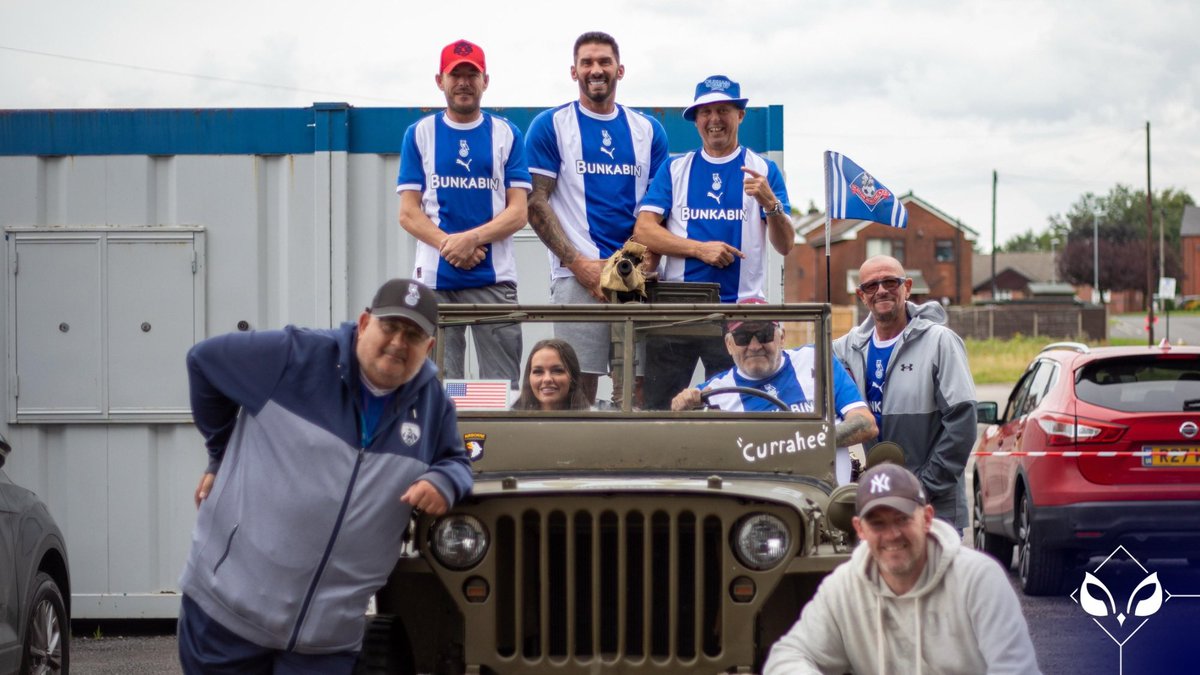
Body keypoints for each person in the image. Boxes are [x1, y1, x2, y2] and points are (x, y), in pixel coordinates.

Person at [177, 278, 473, 674]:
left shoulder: (433, 403)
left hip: (327, 640)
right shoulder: (293, 356)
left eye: (413, 334)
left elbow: (456, 460)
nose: (399, 343)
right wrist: (222, 453)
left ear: (429, 347)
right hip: (228, 617)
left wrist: (444, 482)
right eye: (390, 327)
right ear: (365, 323)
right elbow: (203, 361)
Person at [763, 463, 1041, 675]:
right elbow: (787, 656)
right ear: (860, 529)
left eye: (902, 519)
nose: (892, 534)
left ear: (927, 518)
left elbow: (1016, 668)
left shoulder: (979, 579)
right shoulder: (844, 586)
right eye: (878, 524)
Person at [633, 75, 794, 410]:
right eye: (705, 112)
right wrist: (698, 249)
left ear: (740, 115)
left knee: (734, 409)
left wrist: (770, 204)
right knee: (661, 408)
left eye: (723, 110)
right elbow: (645, 231)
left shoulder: (764, 170)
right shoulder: (676, 168)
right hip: (677, 309)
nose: (714, 120)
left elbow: (785, 244)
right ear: (695, 119)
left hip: (740, 312)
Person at [526, 31, 669, 403]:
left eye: (604, 61)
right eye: (587, 62)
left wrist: (636, 259)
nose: (596, 69)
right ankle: (577, 460)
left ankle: (632, 459)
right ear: (573, 72)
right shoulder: (550, 125)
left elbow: (658, 208)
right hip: (576, 276)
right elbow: (535, 202)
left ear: (620, 69)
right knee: (577, 384)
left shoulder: (649, 130)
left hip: (634, 273)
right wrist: (580, 265)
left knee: (637, 386)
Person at [397, 39, 531, 387]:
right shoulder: (419, 133)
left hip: (494, 280)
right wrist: (449, 246)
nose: (464, 82)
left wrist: (471, 239)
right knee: (438, 387)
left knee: (502, 389)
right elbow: (409, 213)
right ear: (440, 80)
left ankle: (502, 445)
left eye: (472, 74)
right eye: (455, 74)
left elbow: (518, 212)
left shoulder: (507, 133)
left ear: (486, 80)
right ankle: (444, 444)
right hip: (436, 282)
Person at [833, 255, 977, 531]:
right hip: (879, 501)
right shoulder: (848, 348)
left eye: (890, 282)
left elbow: (963, 424)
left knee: (935, 575)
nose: (882, 290)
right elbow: (807, 369)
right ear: (861, 295)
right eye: (872, 285)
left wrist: (922, 486)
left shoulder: (940, 342)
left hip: (934, 507)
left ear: (907, 287)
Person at [669, 311, 877, 447]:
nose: (754, 346)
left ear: (782, 337)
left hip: (824, 492)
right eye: (742, 337)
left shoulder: (816, 361)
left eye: (765, 334)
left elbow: (866, 424)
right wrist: (680, 406)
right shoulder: (714, 392)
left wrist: (806, 443)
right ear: (729, 345)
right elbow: (682, 438)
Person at [512, 338, 592, 411]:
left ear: (572, 377)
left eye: (557, 371)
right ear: (528, 378)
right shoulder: (508, 421)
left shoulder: (595, 422)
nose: (547, 379)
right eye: (538, 372)